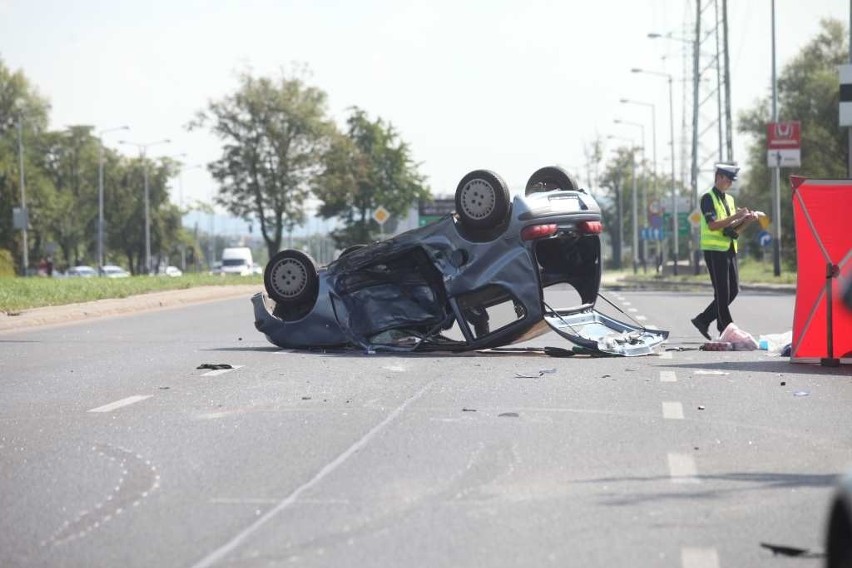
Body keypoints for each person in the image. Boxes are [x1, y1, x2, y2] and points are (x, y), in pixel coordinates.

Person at [690, 163, 759, 340]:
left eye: (731, 181)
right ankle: (725, 326)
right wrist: (736, 216)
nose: (729, 184)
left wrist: (747, 220)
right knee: (721, 292)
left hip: (729, 248)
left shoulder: (729, 200)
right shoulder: (707, 198)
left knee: (733, 290)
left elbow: (731, 229)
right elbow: (713, 225)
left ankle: (703, 319)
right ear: (719, 177)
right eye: (727, 180)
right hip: (713, 250)